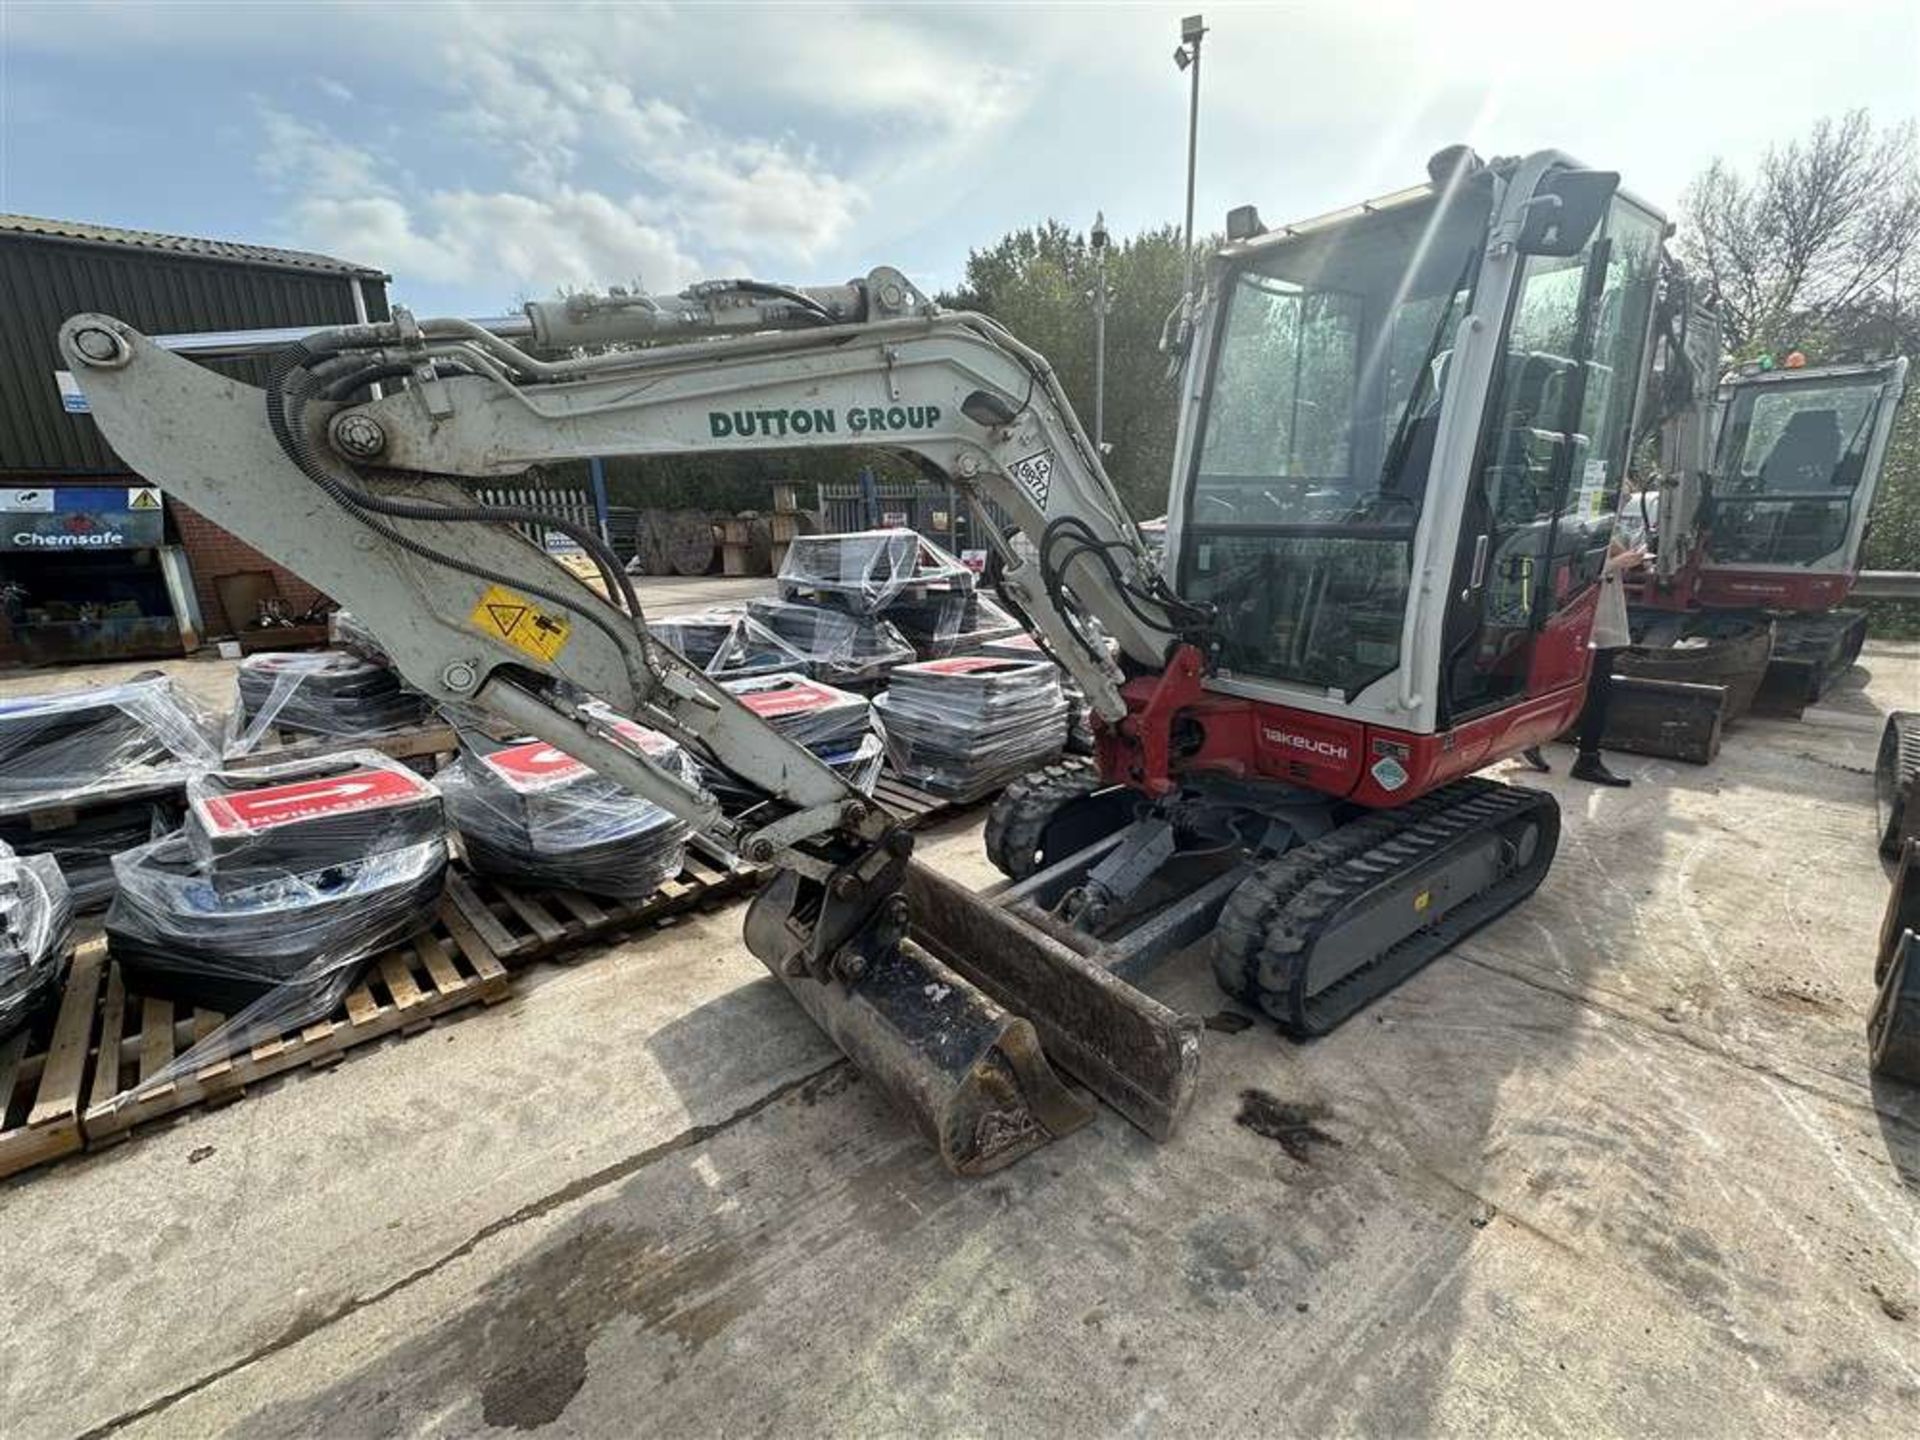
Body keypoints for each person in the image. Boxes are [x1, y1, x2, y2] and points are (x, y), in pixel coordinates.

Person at [1520, 535, 1648, 785]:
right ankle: (1586, 758)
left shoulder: (1605, 526)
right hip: (1585, 622)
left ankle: (1534, 740)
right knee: (1596, 691)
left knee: (1584, 688)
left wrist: (1625, 558)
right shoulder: (1577, 526)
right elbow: (1572, 572)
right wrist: (1616, 562)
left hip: (1595, 622)